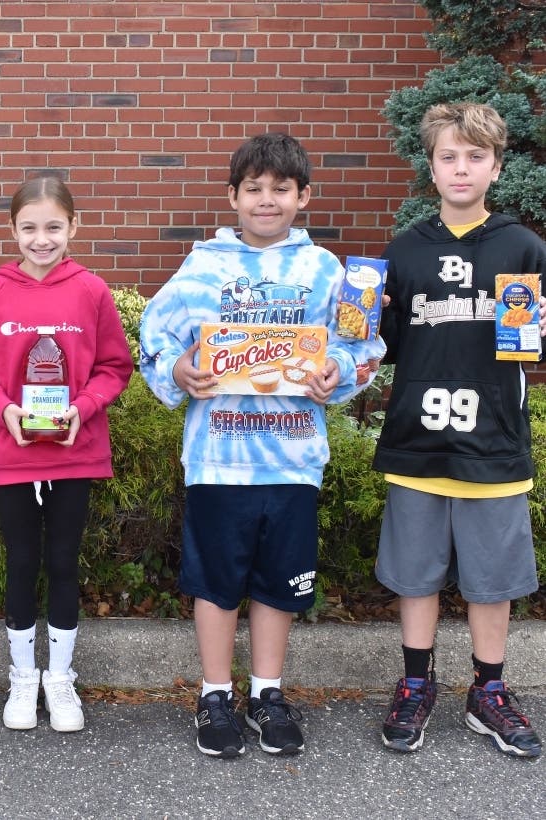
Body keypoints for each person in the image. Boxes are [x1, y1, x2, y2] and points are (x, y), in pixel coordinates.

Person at [139, 132, 385, 757]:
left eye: (281, 189)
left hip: (294, 455)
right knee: (217, 581)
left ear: (303, 196)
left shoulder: (326, 272)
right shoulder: (203, 269)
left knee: (279, 581)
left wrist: (340, 370)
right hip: (219, 457)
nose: (267, 200)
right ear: (233, 196)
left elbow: (362, 348)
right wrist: (177, 371)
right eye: (254, 189)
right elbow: (155, 335)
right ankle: (215, 694)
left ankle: (267, 692)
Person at [373, 102, 545, 758]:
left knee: (491, 577)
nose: (460, 168)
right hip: (417, 439)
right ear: (431, 166)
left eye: (474, 157)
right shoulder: (403, 251)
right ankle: (415, 683)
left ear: (495, 167)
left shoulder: (522, 247)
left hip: (493, 440)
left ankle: (488, 692)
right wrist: (360, 321)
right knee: (415, 573)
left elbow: (529, 347)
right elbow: (380, 349)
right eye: (448, 156)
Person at [0, 176, 133, 733]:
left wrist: (86, 404)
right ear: (12, 230)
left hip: (75, 452)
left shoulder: (91, 290)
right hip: (14, 450)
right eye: (29, 228)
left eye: (53, 227)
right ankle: (22, 677)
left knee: (61, 563)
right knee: (22, 562)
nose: (41, 238)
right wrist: (1, 410)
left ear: (73, 227)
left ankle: (59, 677)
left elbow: (114, 366)